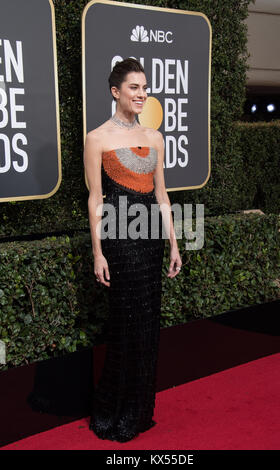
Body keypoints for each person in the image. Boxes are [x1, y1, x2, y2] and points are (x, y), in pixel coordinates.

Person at [83, 58, 182, 443]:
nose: (142, 94)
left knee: (146, 325)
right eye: (134, 88)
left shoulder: (155, 137)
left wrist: (174, 244)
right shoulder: (98, 138)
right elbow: (95, 199)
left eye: (145, 88)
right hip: (119, 239)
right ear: (115, 92)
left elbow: (161, 194)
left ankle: (138, 411)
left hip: (151, 239)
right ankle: (111, 407)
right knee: (125, 323)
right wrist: (98, 253)